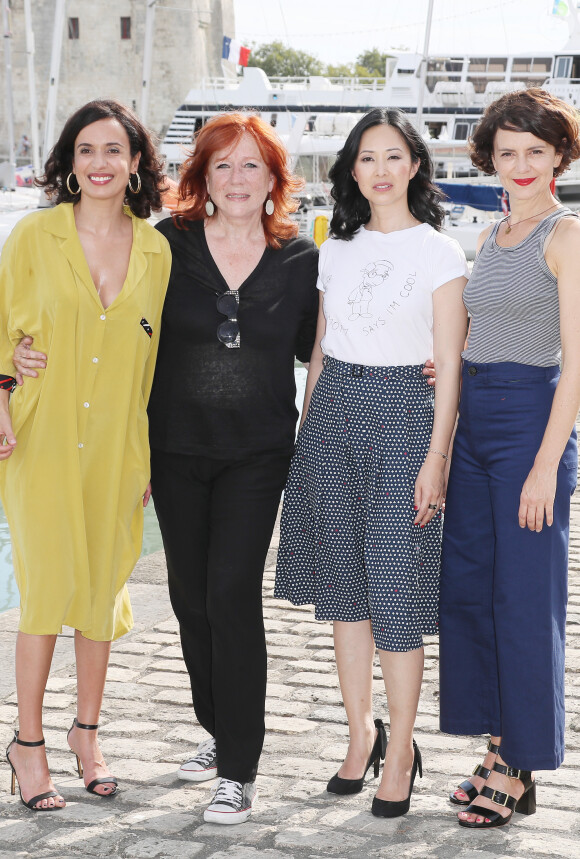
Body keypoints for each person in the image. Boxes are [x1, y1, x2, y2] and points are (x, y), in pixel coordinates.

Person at [275, 107, 468, 818]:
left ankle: (403, 746)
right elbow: (321, 350)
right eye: (366, 157)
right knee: (346, 594)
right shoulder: (337, 246)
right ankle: (360, 733)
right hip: (333, 417)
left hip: (403, 422)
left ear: (415, 164)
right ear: (350, 169)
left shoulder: (441, 253)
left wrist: (437, 457)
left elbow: (447, 364)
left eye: (393, 156)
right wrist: (305, 439)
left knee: (395, 594)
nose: (380, 169)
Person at [147, 114, 318, 824]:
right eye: (223, 166)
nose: (238, 179)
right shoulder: (168, 244)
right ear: (202, 177)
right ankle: (218, 730)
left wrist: (431, 358)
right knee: (190, 599)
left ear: (274, 178)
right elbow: (114, 325)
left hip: (257, 451)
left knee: (230, 594)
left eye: (252, 166)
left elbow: (326, 345)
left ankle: (240, 767)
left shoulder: (301, 257)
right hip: (175, 448)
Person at [0, 99, 171, 811]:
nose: (100, 163)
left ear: (136, 164)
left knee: (100, 589)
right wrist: (4, 390)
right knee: (45, 587)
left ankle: (87, 734)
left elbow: (163, 363)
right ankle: (28, 743)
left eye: (114, 150)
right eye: (86, 150)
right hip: (40, 435)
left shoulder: (158, 252)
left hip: (118, 447)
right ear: (70, 164)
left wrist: (153, 456)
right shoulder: (34, 236)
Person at [439, 88, 580, 829]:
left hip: (531, 426)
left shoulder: (566, 235)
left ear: (558, 154)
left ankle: (521, 765)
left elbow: (577, 365)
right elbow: (473, 334)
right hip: (473, 428)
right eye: (507, 151)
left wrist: (544, 465)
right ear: (489, 158)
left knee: (525, 603)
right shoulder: (490, 236)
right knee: (473, 594)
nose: (521, 164)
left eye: (535, 150)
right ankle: (496, 747)